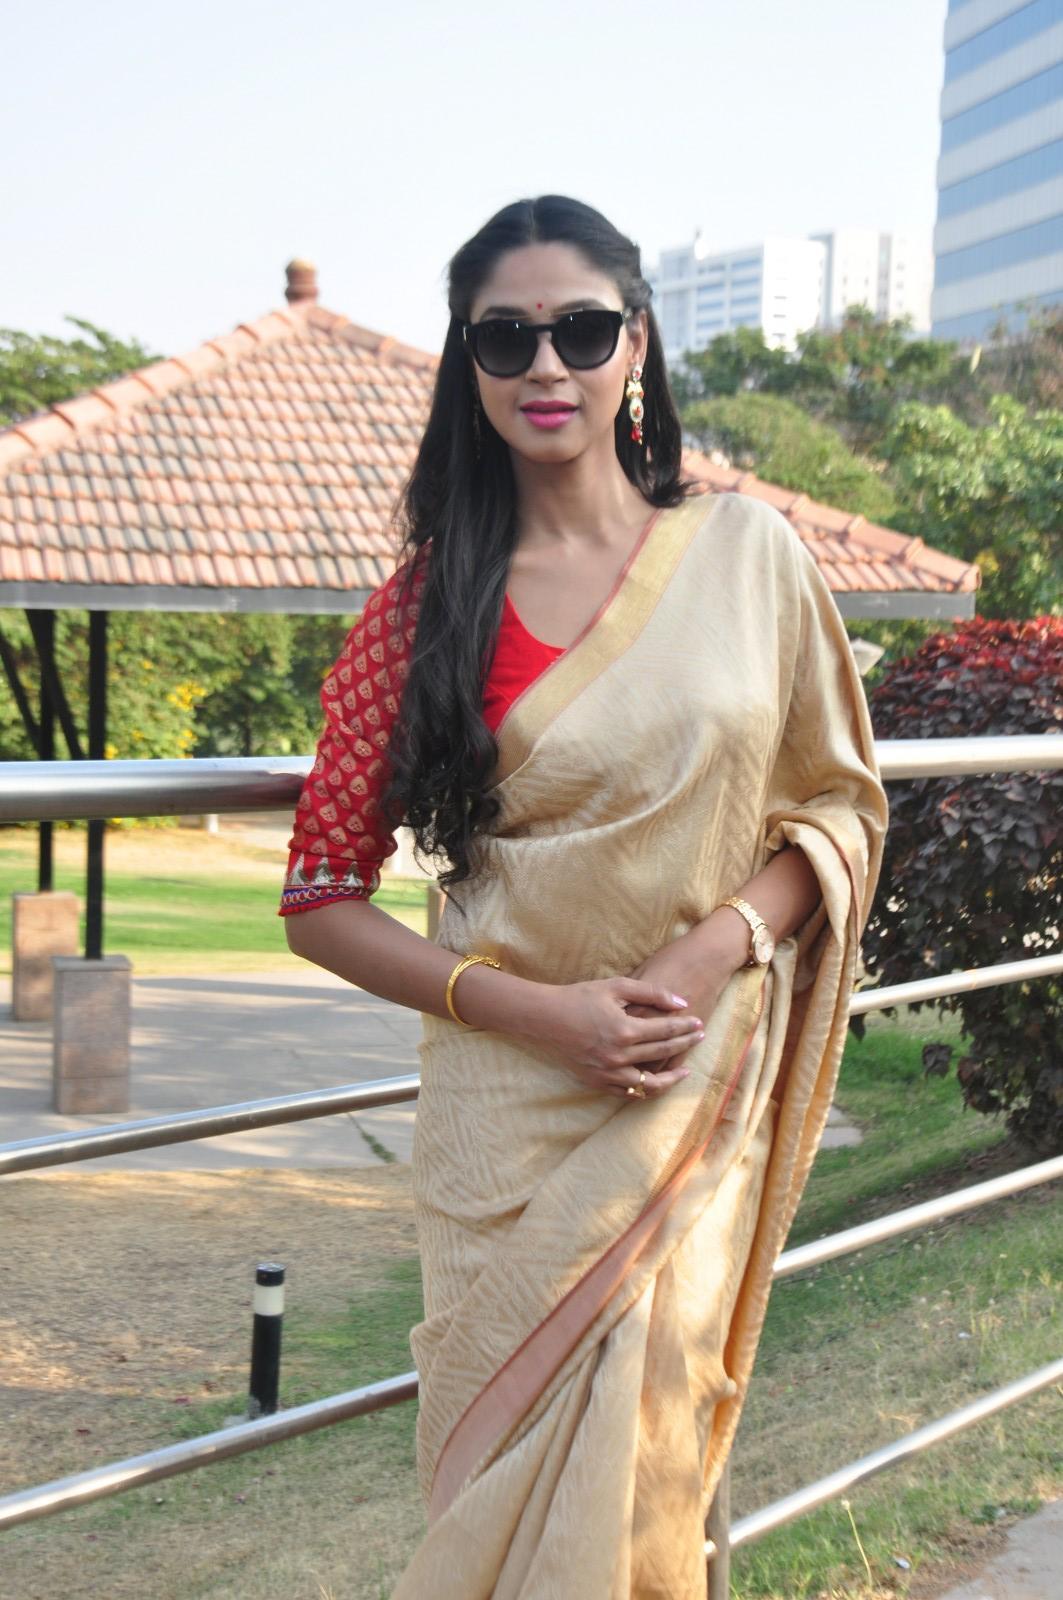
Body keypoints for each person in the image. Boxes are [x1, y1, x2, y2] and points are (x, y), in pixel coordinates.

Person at [280, 194, 888, 1599]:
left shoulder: (748, 559)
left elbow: (839, 805)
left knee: (645, 1480)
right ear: (469, 362)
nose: (545, 364)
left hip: (685, 1082)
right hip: (505, 1116)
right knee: (499, 1503)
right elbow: (320, 895)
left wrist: (719, 946)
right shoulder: (423, 607)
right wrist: (547, 1017)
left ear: (638, 346)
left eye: (582, 329)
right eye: (505, 337)